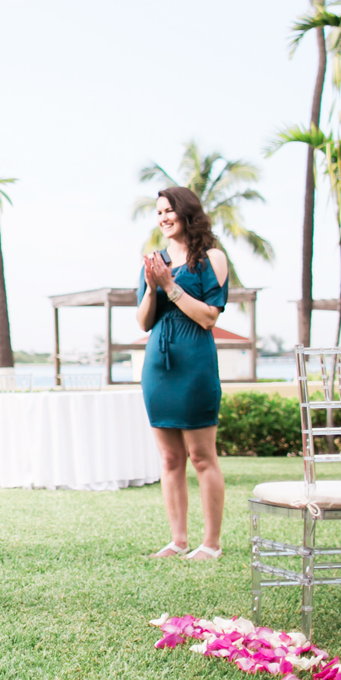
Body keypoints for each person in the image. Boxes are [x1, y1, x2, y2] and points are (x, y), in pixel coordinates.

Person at [136, 187, 231, 561]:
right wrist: (151, 287)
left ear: (187, 212)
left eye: (169, 210)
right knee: (170, 459)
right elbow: (144, 321)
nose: (163, 218)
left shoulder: (212, 258)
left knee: (202, 456)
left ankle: (212, 543)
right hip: (158, 367)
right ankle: (178, 539)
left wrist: (171, 286)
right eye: (159, 212)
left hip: (195, 364)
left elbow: (209, 317)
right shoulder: (154, 260)